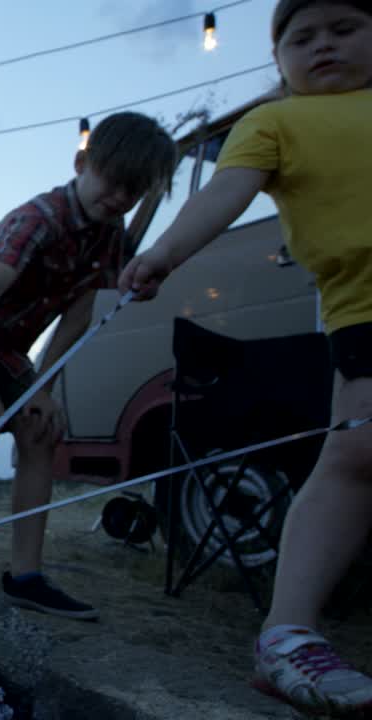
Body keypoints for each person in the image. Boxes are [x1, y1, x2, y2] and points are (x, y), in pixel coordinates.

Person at [119, 1, 372, 713]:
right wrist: (162, 255)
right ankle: (287, 634)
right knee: (357, 455)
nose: (323, 45)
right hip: (364, 306)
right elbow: (225, 193)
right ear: (279, 61)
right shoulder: (275, 123)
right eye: (302, 37)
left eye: (345, 29)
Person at [0, 112, 177, 621]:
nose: (119, 197)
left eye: (133, 190)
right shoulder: (41, 218)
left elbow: (78, 313)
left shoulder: (110, 236)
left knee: (41, 430)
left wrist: (43, 389)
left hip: (8, 344)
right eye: (112, 181)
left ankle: (25, 576)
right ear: (82, 163)